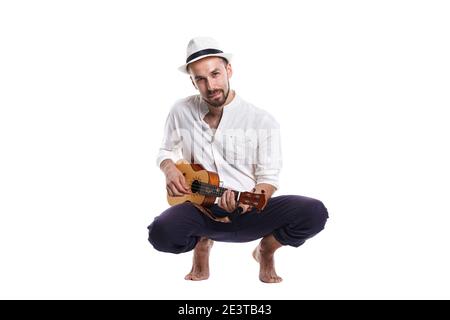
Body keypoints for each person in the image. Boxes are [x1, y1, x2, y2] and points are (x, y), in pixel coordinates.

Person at [148, 37, 328, 283]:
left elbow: (268, 179)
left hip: (249, 210)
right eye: (200, 79)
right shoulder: (180, 111)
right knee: (160, 233)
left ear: (228, 70)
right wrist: (169, 169)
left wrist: (246, 204)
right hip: (199, 209)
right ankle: (202, 243)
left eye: (215, 74)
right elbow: (165, 151)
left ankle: (267, 250)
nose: (210, 85)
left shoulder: (262, 121)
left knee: (314, 212)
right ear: (192, 81)